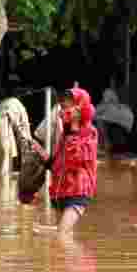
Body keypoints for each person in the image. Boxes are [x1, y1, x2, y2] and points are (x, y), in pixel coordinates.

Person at [32, 85, 99, 237]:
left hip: (78, 192)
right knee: (63, 235)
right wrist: (43, 155)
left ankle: (82, 260)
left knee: (61, 235)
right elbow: (57, 163)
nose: (63, 112)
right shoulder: (65, 134)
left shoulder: (89, 132)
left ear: (80, 110)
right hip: (61, 192)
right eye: (63, 108)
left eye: (68, 108)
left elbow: (77, 159)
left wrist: (74, 127)